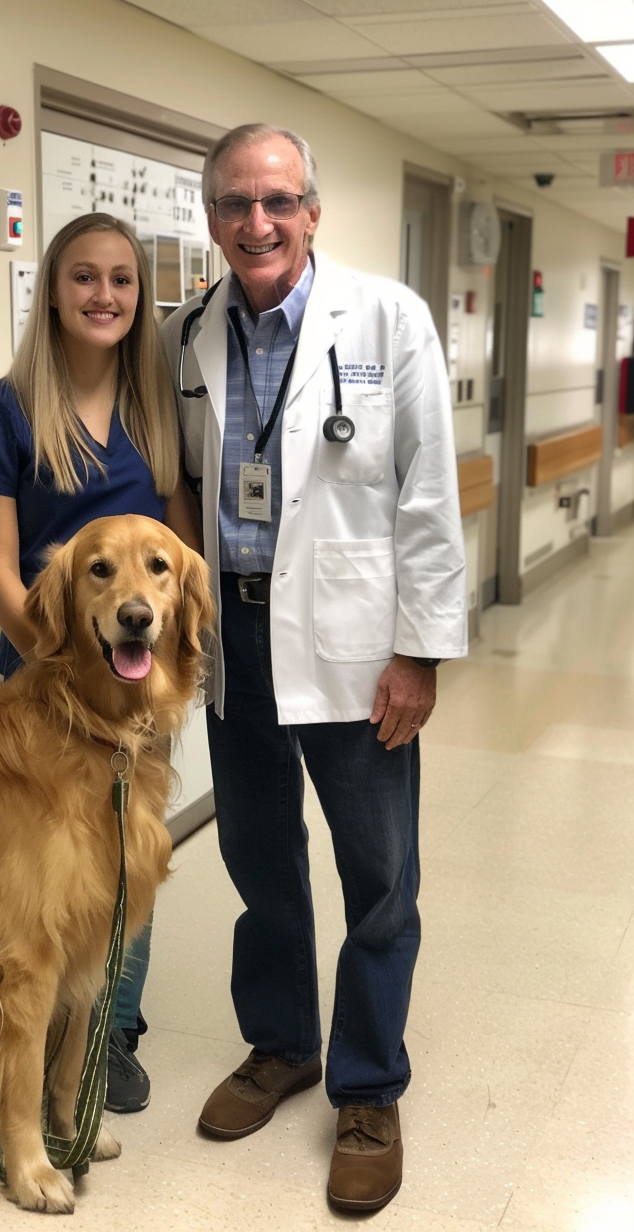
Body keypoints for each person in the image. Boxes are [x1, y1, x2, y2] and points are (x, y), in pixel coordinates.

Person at [162, 124, 467, 1212]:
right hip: (234, 636)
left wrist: (418, 653)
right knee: (257, 857)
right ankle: (282, 1041)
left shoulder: (387, 318)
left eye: (278, 201)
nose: (258, 223)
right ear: (211, 220)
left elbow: (429, 495)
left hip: (355, 642)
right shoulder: (188, 331)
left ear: (312, 212)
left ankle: (370, 1084)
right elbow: (184, 486)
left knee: (378, 874)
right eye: (237, 204)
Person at [0, 212, 200, 1114]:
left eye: (122, 279)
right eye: (84, 277)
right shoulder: (4, 412)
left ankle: (107, 1042)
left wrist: (155, 664)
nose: (104, 295)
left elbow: (180, 558)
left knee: (129, 873)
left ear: (139, 295)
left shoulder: (158, 412)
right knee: (32, 899)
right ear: (52, 291)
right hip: (39, 695)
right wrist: (59, 670)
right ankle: (12, 1056)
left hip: (138, 705)